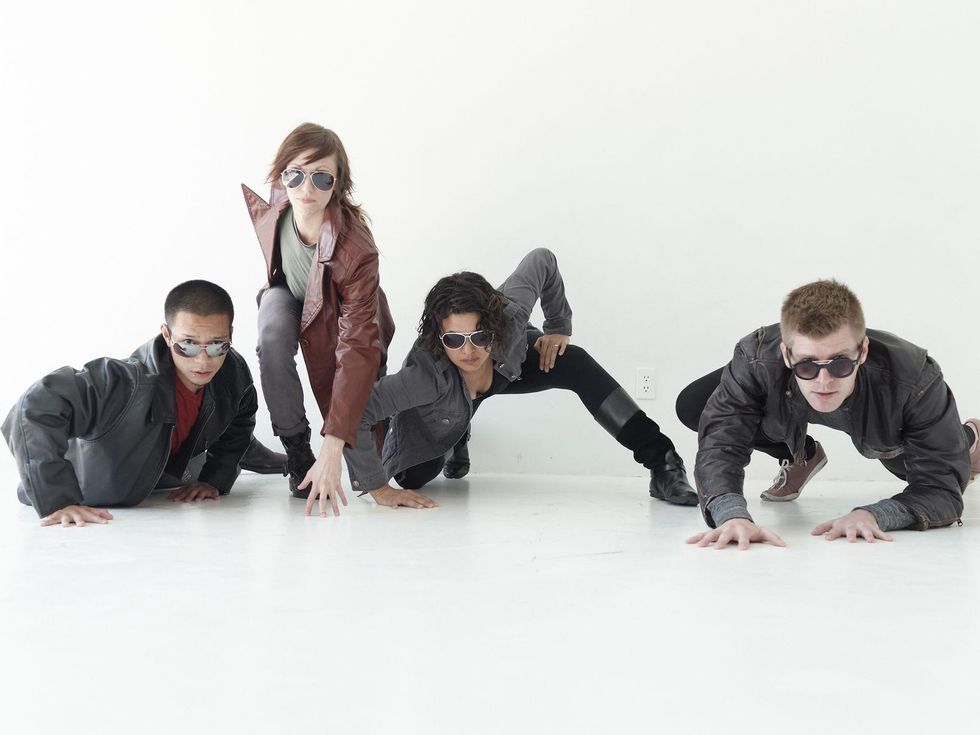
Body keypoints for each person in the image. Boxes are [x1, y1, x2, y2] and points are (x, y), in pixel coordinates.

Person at [313, 247, 697, 516]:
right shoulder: (422, 378)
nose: (468, 351)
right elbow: (354, 413)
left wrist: (558, 327)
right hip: (439, 412)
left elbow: (542, 258)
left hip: (504, 369)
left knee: (573, 361)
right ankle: (456, 437)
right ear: (439, 340)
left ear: (494, 327)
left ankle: (662, 462)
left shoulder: (510, 315)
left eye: (479, 337)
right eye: (454, 340)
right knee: (414, 476)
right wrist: (379, 487)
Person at [676, 279, 979, 549]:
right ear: (786, 354)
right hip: (786, 407)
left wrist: (873, 514)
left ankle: (968, 440)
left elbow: (940, 488)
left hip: (892, 431)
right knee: (696, 405)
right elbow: (722, 441)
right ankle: (802, 455)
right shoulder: (756, 360)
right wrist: (731, 516)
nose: (824, 381)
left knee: (946, 462)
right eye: (807, 365)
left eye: (840, 364)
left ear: (862, 352)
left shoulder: (914, 379)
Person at [2, 280, 261, 527]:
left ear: (230, 336)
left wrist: (214, 479)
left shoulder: (232, 371)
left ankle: (275, 460)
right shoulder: (123, 383)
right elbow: (33, 407)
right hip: (91, 486)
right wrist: (57, 499)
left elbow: (242, 414)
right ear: (167, 335)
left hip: (167, 472)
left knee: (260, 455)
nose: (203, 361)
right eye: (188, 345)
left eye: (217, 345)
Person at [243, 123, 395, 512]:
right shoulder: (281, 201)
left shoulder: (356, 251)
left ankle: (423, 439)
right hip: (288, 293)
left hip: (344, 317)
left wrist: (333, 446)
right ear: (281, 176)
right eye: (295, 174)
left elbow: (358, 346)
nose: (305, 189)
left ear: (338, 184)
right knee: (271, 338)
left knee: (366, 423)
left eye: (321, 177)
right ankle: (295, 448)